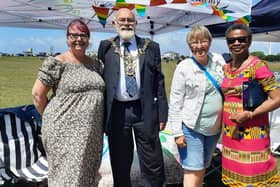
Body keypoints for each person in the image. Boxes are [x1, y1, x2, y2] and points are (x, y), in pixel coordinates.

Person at [97, 8, 168, 187]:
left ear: (136, 23)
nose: (126, 23)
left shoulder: (151, 47)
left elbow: (159, 82)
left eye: (130, 20)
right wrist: (103, 118)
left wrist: (162, 114)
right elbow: (101, 82)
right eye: (122, 20)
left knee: (152, 162)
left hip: (144, 110)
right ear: (114, 23)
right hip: (118, 112)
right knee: (120, 163)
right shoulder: (105, 47)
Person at [32, 19, 104, 187]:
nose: (78, 39)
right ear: (67, 38)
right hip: (64, 131)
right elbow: (37, 95)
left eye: (82, 35)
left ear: (88, 39)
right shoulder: (57, 62)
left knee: (87, 173)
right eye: (73, 35)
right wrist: (51, 117)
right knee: (66, 175)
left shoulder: (96, 64)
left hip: (91, 133)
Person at [221, 23, 280, 186]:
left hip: (252, 133)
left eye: (241, 39)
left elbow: (277, 98)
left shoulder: (258, 66)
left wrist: (250, 114)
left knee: (252, 179)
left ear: (249, 41)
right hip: (230, 134)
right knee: (234, 179)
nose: (236, 43)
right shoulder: (226, 68)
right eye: (232, 40)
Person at [168, 25, 225, 187]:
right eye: (195, 42)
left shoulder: (218, 61)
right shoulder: (183, 67)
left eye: (203, 41)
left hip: (214, 129)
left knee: (202, 169)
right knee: (192, 170)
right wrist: (177, 133)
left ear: (210, 42)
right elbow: (175, 102)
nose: (199, 46)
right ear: (189, 45)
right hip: (191, 128)